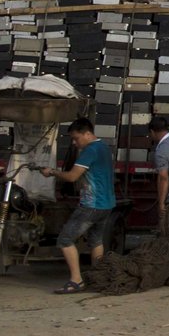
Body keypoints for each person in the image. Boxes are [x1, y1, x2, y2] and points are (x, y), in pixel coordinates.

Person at [41, 118, 116, 294]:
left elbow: (72, 177)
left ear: (87, 133)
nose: (74, 143)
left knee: (65, 240)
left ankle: (76, 280)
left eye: (76, 138)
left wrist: (52, 172)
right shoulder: (104, 148)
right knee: (96, 240)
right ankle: (99, 277)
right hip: (107, 204)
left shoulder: (90, 151)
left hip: (91, 204)